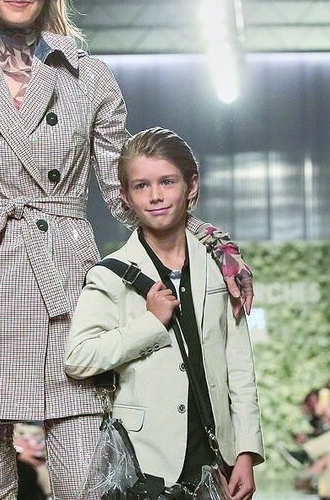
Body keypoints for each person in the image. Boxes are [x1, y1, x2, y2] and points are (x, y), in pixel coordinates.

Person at [0, 0, 254, 499]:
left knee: (85, 483)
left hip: (68, 282)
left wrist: (213, 247)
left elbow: (128, 196)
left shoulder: (91, 79)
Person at [65, 127, 263, 500]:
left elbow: (239, 366)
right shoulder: (111, 273)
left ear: (191, 185)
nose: (155, 196)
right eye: (141, 186)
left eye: (167, 182)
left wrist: (246, 452)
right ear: (125, 196)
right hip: (146, 458)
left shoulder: (220, 264)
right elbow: (79, 357)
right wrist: (150, 323)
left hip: (215, 452)